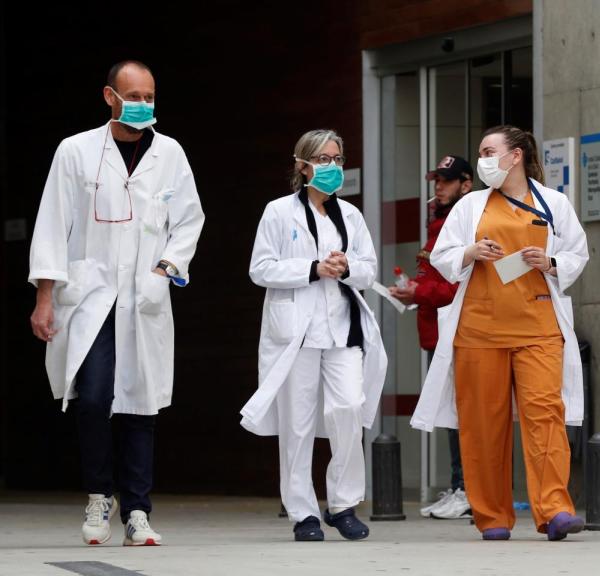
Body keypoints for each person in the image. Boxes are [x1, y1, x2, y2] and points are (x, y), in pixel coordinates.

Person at [28, 60, 205, 546]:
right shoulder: (76, 151)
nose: (144, 104)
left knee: (141, 404)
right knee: (92, 398)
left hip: (143, 298)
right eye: (134, 95)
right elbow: (51, 225)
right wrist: (45, 298)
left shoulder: (170, 153)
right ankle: (98, 495)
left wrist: (167, 267)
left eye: (150, 95)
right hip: (89, 297)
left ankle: (138, 511)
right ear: (110, 96)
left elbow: (189, 219)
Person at [410, 125, 589, 541]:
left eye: (490, 151)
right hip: (479, 330)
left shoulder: (554, 203)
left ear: (515, 157)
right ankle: (492, 516)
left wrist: (550, 261)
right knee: (482, 424)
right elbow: (442, 256)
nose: (484, 158)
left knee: (545, 415)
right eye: (481, 152)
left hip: (539, 327)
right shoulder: (471, 206)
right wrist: (471, 252)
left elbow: (577, 252)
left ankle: (555, 510)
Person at [241, 129, 387, 542]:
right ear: (302, 165)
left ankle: (342, 504)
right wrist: (311, 268)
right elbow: (260, 268)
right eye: (323, 160)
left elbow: (368, 270)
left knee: (349, 410)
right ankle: (303, 512)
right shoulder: (277, 212)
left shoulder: (352, 216)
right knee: (298, 424)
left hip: (342, 329)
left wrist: (345, 267)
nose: (332, 167)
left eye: (337, 159)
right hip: (296, 333)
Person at [390, 155, 473, 520]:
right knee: (450, 414)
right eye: (436, 180)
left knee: (460, 416)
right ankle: (459, 486)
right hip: (435, 332)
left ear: (465, 184)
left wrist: (417, 293)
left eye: (446, 180)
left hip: (455, 331)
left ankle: (467, 489)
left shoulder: (463, 222)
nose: (438, 186)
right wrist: (415, 287)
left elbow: (457, 286)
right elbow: (435, 276)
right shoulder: (440, 220)